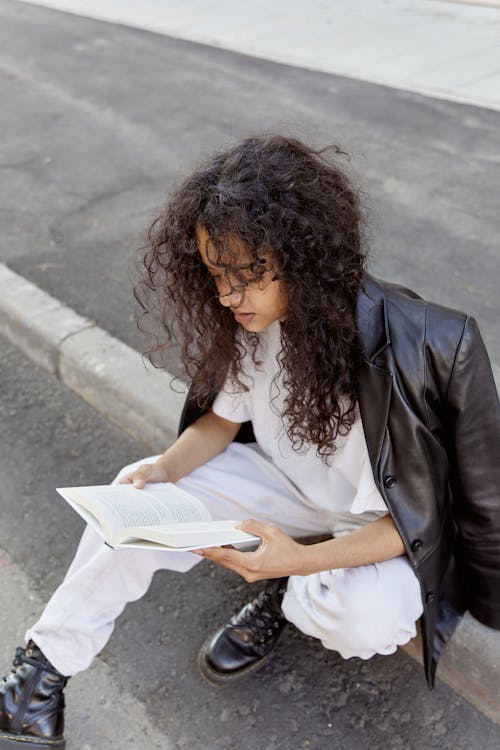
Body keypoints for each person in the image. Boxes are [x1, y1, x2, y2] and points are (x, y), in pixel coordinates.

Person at [1, 135, 499, 749]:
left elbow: (433, 517)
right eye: (215, 275)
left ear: (305, 256)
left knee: (363, 618)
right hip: (285, 488)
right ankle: (38, 678)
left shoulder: (433, 345)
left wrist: (297, 562)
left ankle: (287, 590)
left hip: (383, 528)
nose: (227, 296)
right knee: (130, 503)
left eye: (245, 276)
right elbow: (220, 421)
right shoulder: (254, 323)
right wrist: (163, 469)